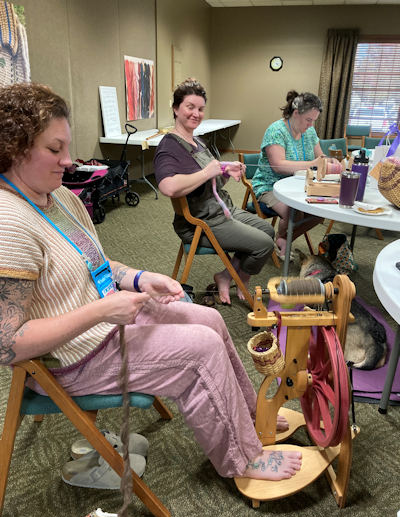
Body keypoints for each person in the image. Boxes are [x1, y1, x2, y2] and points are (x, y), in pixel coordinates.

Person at [0, 82, 301, 482]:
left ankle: (248, 415)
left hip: (107, 321)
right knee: (202, 350)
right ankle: (242, 459)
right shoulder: (9, 223)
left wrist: (141, 278)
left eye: (66, 147)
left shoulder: (60, 198)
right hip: (74, 358)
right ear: (15, 149)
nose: (69, 161)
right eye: (55, 150)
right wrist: (102, 310)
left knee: (210, 320)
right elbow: (7, 344)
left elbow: (96, 262)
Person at [153, 78, 275, 305]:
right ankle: (241, 278)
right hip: (201, 221)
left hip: (221, 208)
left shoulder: (197, 142)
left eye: (200, 109)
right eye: (190, 107)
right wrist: (206, 172)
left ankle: (226, 276)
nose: (196, 114)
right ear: (176, 108)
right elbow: (167, 186)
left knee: (267, 231)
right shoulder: (169, 146)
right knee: (263, 246)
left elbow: (211, 184)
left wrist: (226, 173)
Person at [252, 91, 328, 260]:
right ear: (296, 113)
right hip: (269, 186)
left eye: (313, 121)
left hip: (300, 185)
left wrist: (328, 161)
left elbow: (320, 157)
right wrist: (313, 163)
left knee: (320, 212)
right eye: (308, 120)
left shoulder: (309, 132)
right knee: (294, 212)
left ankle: (283, 239)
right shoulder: (276, 131)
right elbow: (279, 165)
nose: (311, 125)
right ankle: (283, 240)